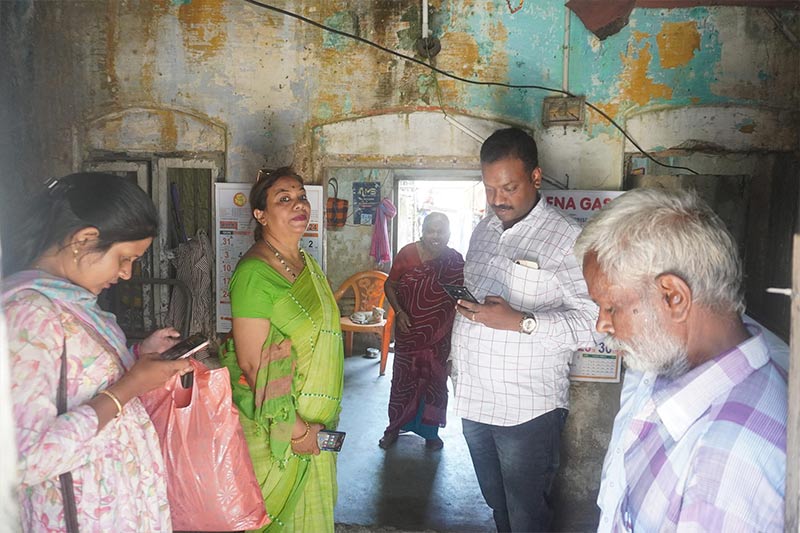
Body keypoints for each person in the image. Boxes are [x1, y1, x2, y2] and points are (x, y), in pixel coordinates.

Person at [574, 187, 787, 532]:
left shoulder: (723, 472)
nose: (602, 323)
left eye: (611, 306)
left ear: (674, 297)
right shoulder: (674, 355)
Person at [1, 173, 194, 531]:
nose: (125, 273)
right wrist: (129, 388)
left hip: (110, 508)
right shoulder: (29, 313)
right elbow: (21, 459)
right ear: (84, 240)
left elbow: (74, 379)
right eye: (125, 257)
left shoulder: (70, 301)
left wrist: (136, 355)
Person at [449, 127, 597, 532]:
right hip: (474, 399)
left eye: (509, 187)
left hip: (527, 408)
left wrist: (522, 322)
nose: (498, 199)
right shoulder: (484, 230)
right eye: (490, 188)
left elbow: (594, 325)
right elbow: (483, 297)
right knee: (497, 505)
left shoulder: (568, 239)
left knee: (527, 512)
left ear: (535, 177)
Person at [219, 167, 344, 532]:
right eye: (284, 199)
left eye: (301, 196)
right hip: (282, 430)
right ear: (261, 214)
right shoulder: (254, 273)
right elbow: (253, 365)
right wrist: (299, 431)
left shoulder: (306, 263)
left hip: (317, 424)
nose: (298, 205)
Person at [379, 212, 464, 451]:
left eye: (441, 231)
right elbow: (390, 284)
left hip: (439, 336)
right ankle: (394, 427)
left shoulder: (455, 261)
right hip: (409, 330)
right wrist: (399, 311)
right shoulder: (408, 253)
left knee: (435, 382)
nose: (435, 236)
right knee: (403, 381)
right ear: (422, 230)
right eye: (431, 230)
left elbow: (461, 296)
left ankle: (430, 431)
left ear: (449, 233)